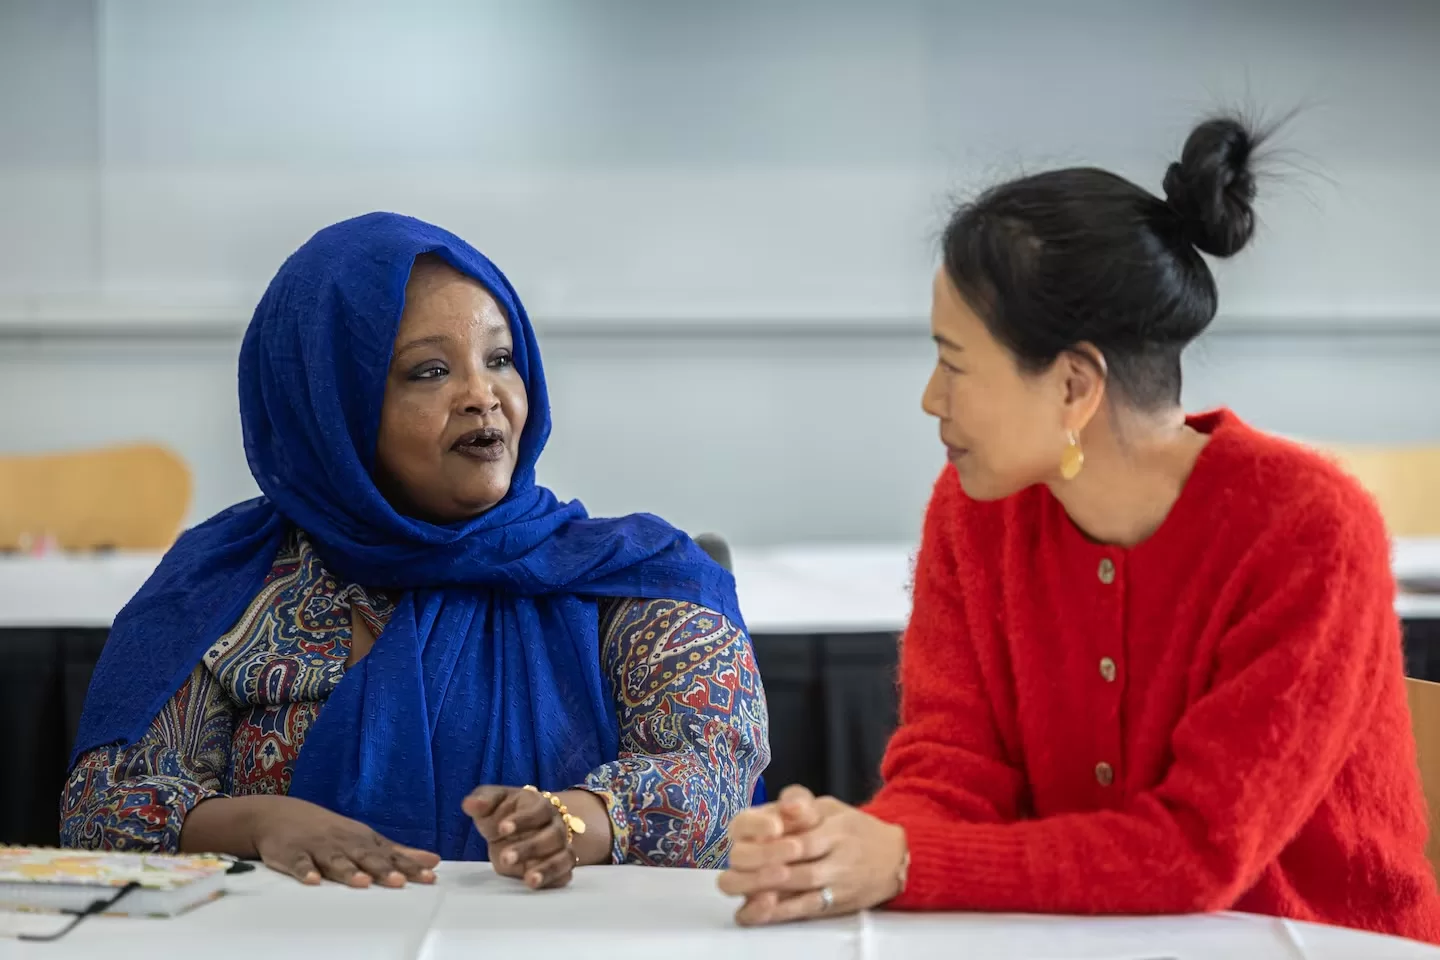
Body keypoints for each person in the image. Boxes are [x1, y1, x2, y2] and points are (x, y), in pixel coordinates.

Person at [718, 115, 1440, 942]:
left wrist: (906, 860)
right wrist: (838, 850)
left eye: (954, 363)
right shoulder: (973, 509)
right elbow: (950, 773)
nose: (930, 398)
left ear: (1073, 386)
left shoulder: (1309, 533)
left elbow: (1196, 852)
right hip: (1077, 938)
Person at [62, 213, 769, 891]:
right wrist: (259, 823)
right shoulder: (223, 583)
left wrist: (574, 821)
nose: (482, 396)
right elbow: (102, 812)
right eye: (429, 372)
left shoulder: (632, 574)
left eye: (500, 359)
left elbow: (716, 774)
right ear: (331, 406)